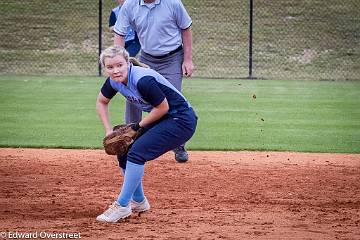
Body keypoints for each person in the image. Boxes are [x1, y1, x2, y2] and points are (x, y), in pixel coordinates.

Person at [95, 46, 197, 223]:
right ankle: (139, 201)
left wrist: (137, 126)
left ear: (128, 63)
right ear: (105, 68)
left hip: (181, 120)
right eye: (110, 67)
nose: (115, 70)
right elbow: (101, 102)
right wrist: (108, 130)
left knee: (137, 152)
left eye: (119, 65)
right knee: (124, 151)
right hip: (164, 118)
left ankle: (122, 205)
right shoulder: (113, 81)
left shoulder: (142, 79)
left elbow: (163, 107)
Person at [113, 0, 194, 163]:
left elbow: (186, 28)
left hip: (172, 58)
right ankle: (129, 138)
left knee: (172, 102)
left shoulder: (173, 3)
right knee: (132, 97)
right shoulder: (130, 5)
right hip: (146, 58)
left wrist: (188, 59)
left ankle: (178, 145)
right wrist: (119, 60)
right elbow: (119, 34)